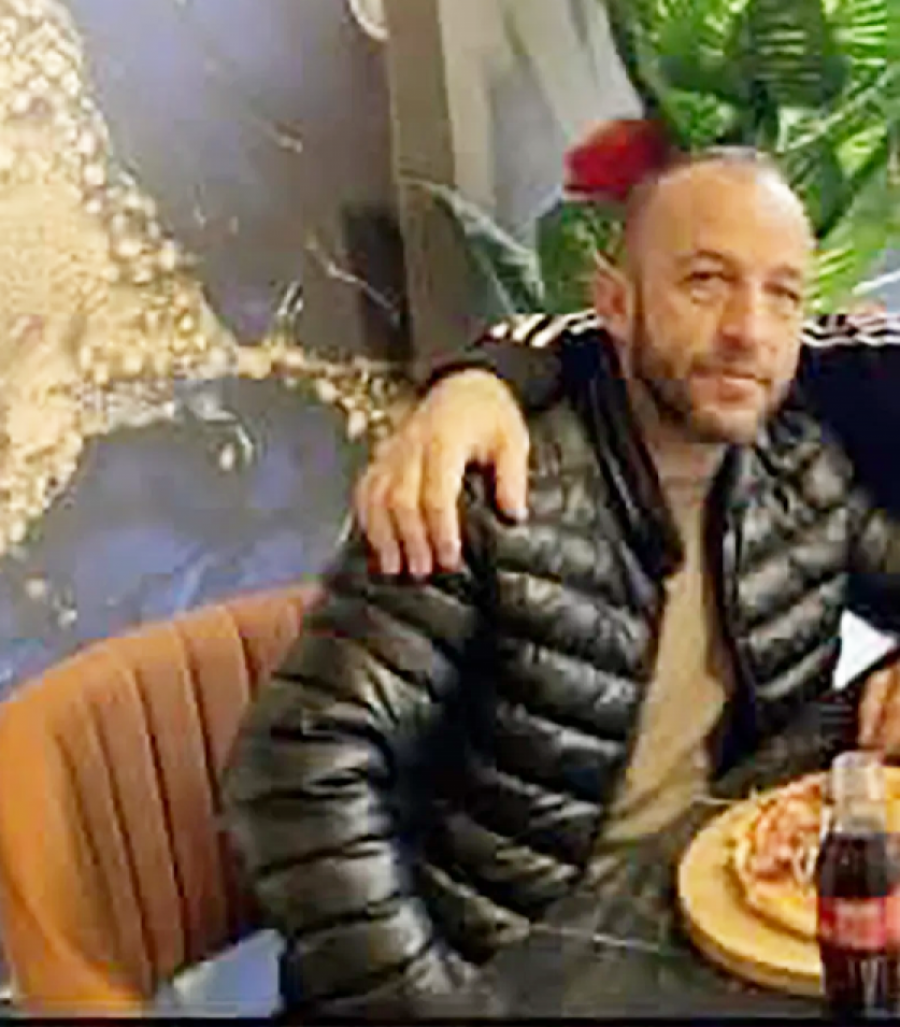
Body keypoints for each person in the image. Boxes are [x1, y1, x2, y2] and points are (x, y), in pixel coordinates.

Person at [224, 148, 900, 1018]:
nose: (750, 330)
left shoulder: (804, 467)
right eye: (705, 281)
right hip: (512, 968)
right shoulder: (481, 490)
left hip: (706, 943)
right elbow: (297, 769)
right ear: (615, 303)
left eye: (783, 294)